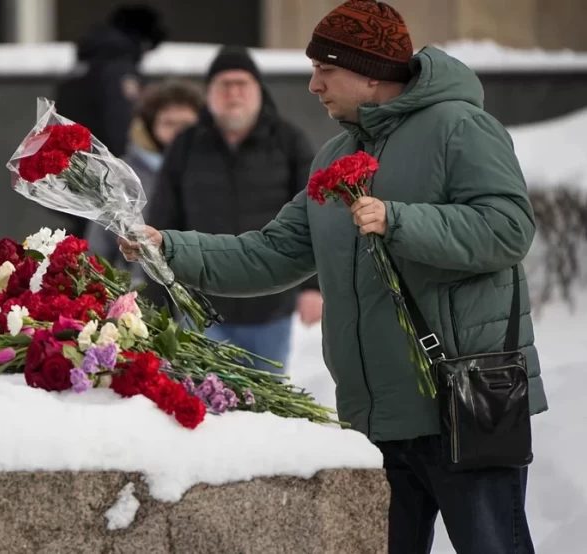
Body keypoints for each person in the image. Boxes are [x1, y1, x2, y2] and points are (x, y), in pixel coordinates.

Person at [118, 2, 547, 552]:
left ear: (371, 71)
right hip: (375, 420)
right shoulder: (336, 155)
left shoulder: (461, 128)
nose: (314, 83)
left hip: (465, 406)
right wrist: (168, 247)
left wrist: (398, 219)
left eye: (326, 68)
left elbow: (509, 228)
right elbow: (272, 254)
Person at [144, 45, 323, 374]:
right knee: (211, 402)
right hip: (203, 306)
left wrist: (314, 287)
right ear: (209, 94)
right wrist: (157, 304)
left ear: (259, 90)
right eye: (224, 85)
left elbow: (317, 215)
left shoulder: (288, 141)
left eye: (242, 84)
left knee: (267, 403)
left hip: (271, 305)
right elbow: (162, 220)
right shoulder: (186, 145)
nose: (234, 93)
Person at [54, 5, 167, 239]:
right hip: (105, 180)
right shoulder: (117, 70)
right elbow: (121, 128)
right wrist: (127, 176)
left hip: (74, 175)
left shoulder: (83, 67)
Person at [85, 78, 204, 285]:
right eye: (168, 123)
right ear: (150, 126)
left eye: (185, 124)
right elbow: (98, 247)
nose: (177, 132)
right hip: (140, 299)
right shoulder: (124, 174)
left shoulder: (213, 168)